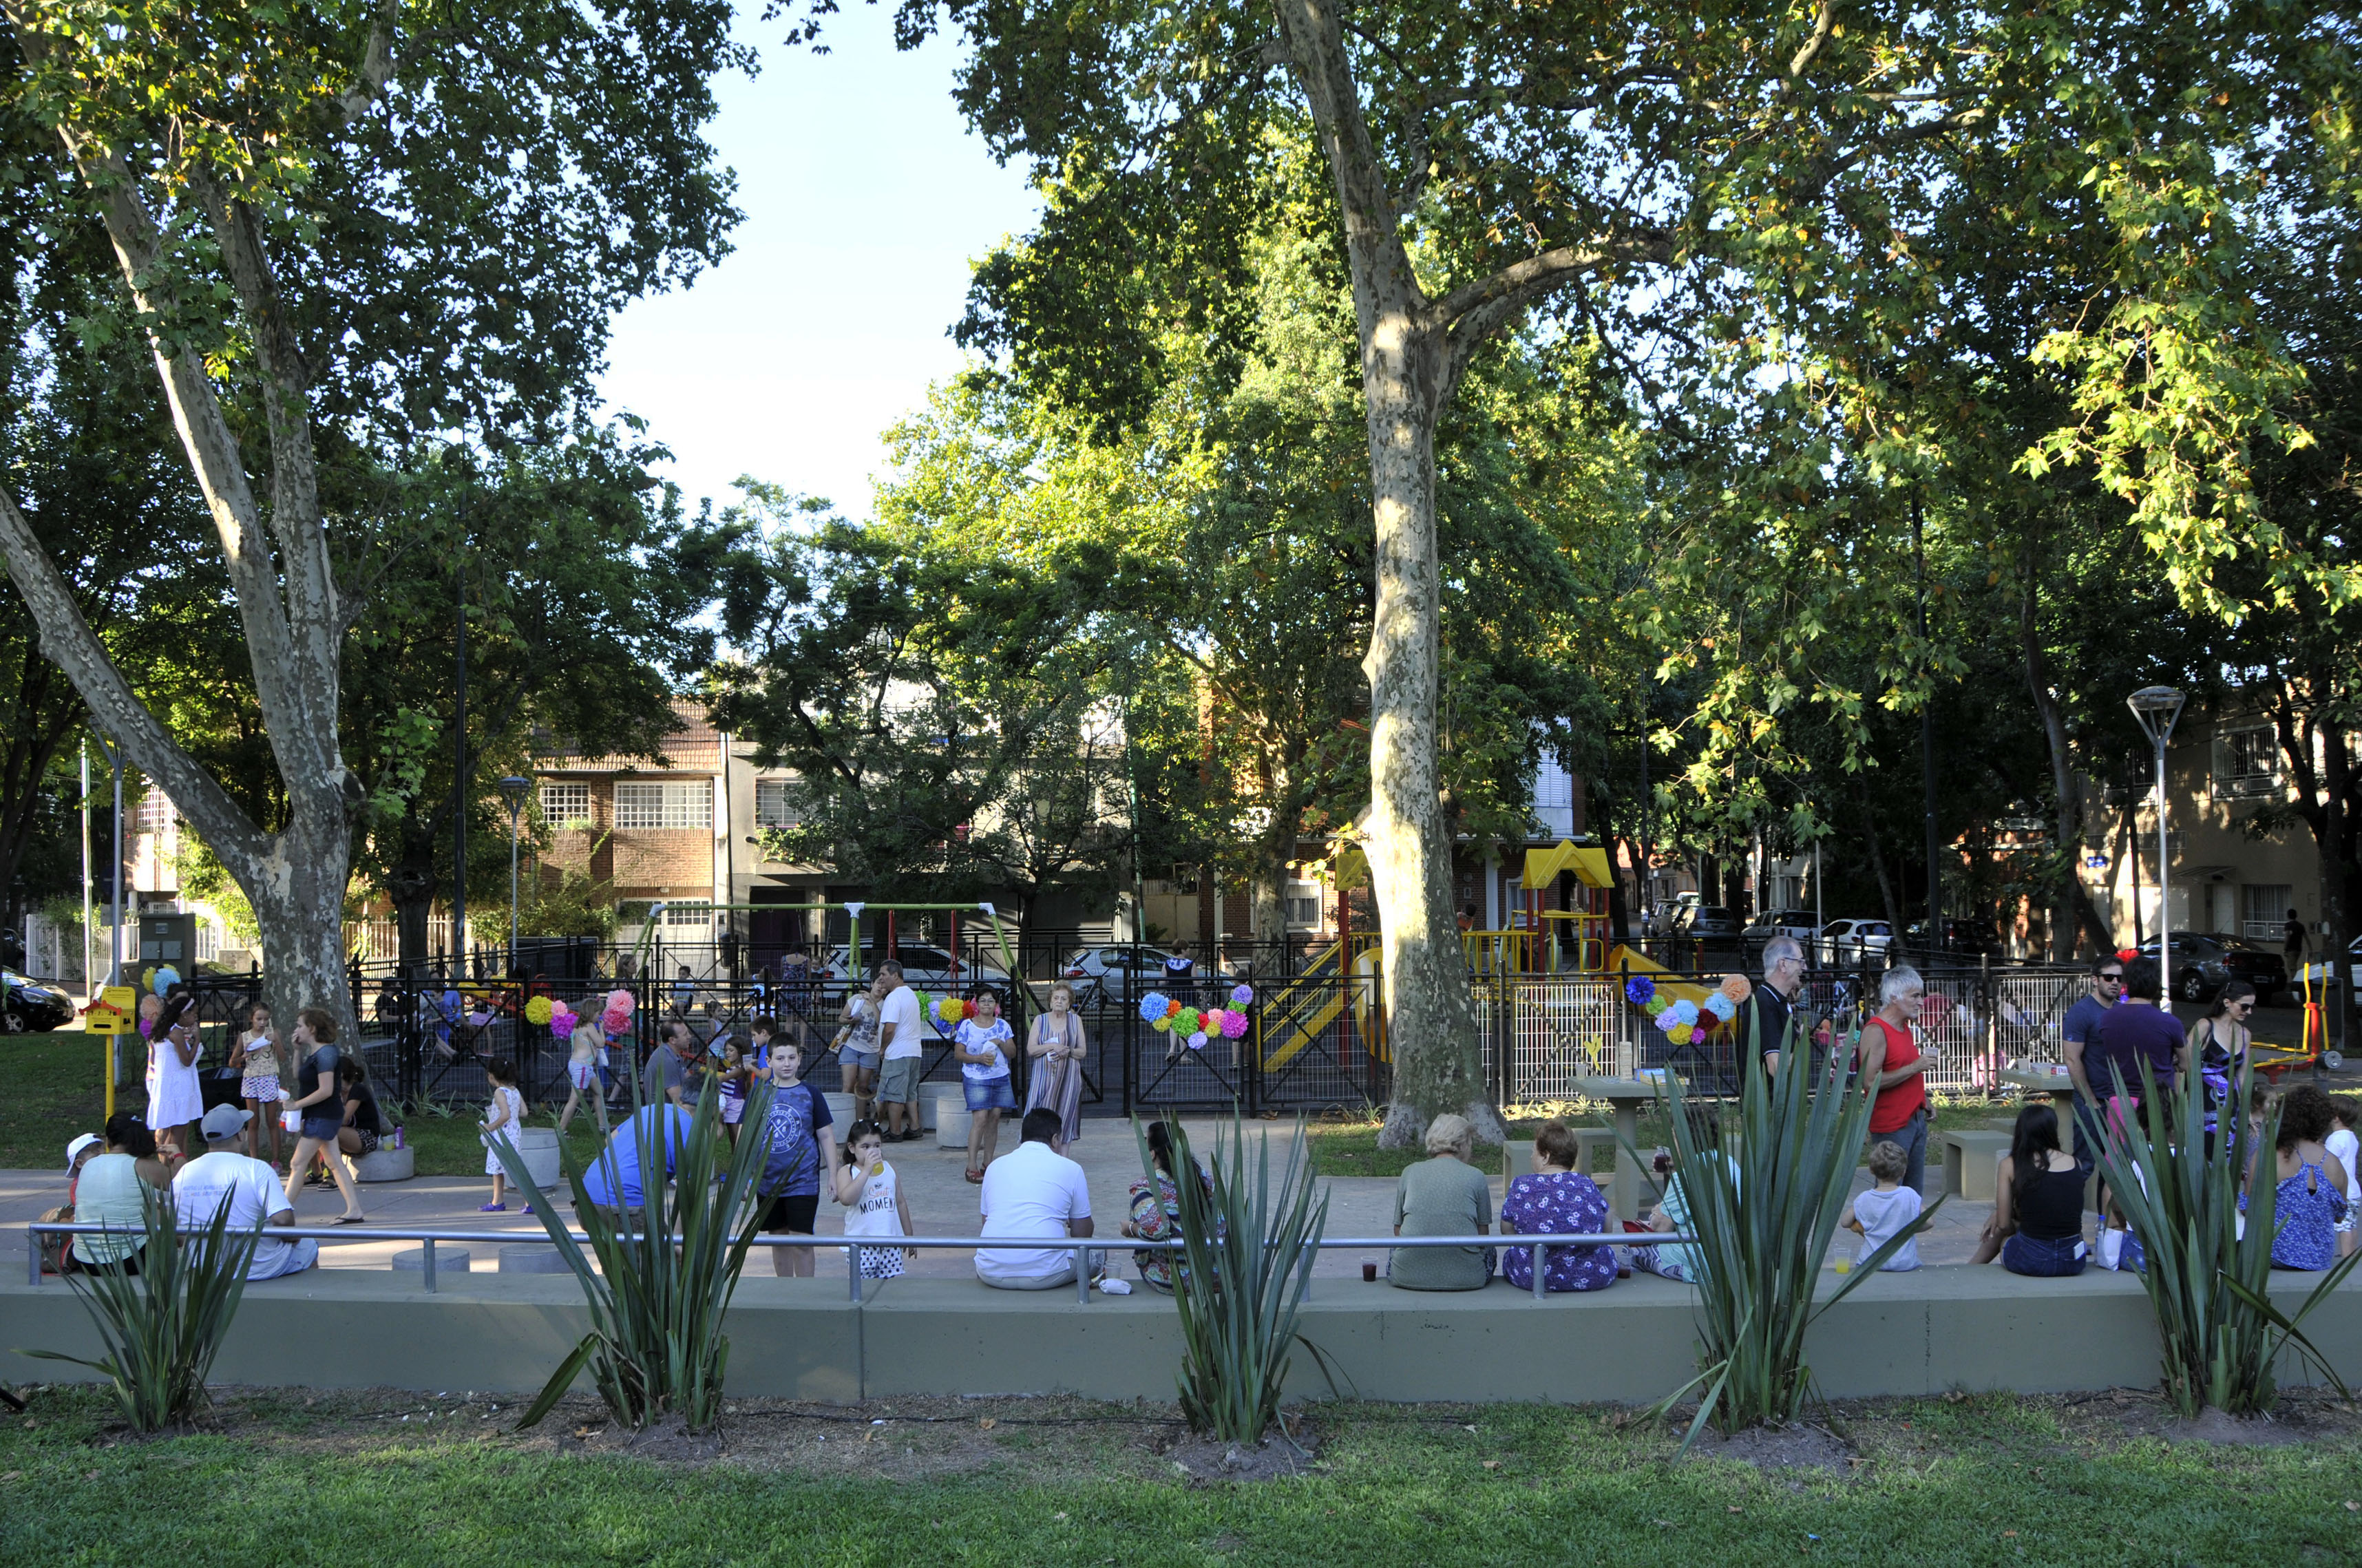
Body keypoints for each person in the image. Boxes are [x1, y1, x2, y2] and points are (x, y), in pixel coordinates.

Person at [175, 1103, 319, 1280]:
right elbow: (282, 1219)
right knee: (309, 1245)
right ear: (240, 1135)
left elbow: (177, 1228)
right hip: (258, 1266)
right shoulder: (257, 1168)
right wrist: (292, 1238)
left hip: (205, 1268)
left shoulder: (185, 1172)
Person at [977, 1107, 1098, 1289]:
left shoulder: (994, 1167)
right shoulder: (1071, 1168)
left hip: (990, 1270)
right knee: (1098, 1251)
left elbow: (987, 1221)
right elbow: (1082, 1234)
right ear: (1055, 1139)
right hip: (1047, 1273)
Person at [1969, 1103, 2089, 1276]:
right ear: (2053, 1130)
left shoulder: (2010, 1164)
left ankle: (1970, 1268)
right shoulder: (2074, 1163)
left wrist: (2004, 1216)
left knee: (2003, 1235)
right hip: (2073, 1261)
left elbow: (2003, 1225)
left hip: (2033, 1261)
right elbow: (2059, 1206)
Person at [1499, 1120, 1616, 1293]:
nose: (1531, 1157)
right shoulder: (1586, 1183)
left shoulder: (1521, 1185)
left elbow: (1506, 1230)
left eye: (1534, 1152)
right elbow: (1607, 1227)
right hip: (1592, 1276)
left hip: (1531, 1277)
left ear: (1545, 1156)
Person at [755, 1037, 839, 1276]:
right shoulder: (759, 1094)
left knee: (802, 1242)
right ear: (769, 1061)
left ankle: (805, 1295)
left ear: (800, 1059)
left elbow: (826, 1136)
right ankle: (785, 1292)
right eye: (780, 1059)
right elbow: (745, 1139)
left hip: (803, 1181)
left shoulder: (811, 1093)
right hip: (768, 1182)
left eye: (792, 1058)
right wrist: (743, 1178)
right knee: (779, 1241)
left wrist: (833, 1174)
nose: (787, 1064)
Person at [1626, 1104, 1735, 1284]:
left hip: (1698, 1263)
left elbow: (1661, 1229)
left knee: (1627, 1253)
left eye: (1674, 1137)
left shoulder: (1688, 1176)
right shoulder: (1729, 1163)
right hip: (1730, 1259)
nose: (1672, 1143)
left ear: (1685, 1140)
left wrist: (1658, 1211)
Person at [1388, 1113, 1494, 1290]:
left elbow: (1397, 1229)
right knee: (1491, 1251)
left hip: (1405, 1275)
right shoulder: (1476, 1176)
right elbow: (1483, 1236)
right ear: (1462, 1144)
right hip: (1469, 1278)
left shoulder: (1410, 1172)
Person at [279, 1007, 365, 1223]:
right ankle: (354, 1210)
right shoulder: (316, 1053)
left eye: (300, 1025)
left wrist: (296, 1105)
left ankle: (281, 1212)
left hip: (324, 1115)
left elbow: (326, 1090)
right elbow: (299, 1075)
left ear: (312, 1028)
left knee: (297, 1163)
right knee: (334, 1162)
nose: (297, 1029)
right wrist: (296, 1051)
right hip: (322, 1114)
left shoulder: (327, 1053)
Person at [2083, 955, 2189, 1130]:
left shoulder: (2107, 1019)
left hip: (2120, 1100)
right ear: (2156, 985)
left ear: (2127, 983)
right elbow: (2187, 1065)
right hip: (2160, 1102)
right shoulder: (2170, 1023)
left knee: (2120, 1154)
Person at [2254, 1084, 2350, 1271]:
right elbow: (2339, 1217)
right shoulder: (2334, 1163)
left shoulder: (2267, 1156)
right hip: (2319, 1259)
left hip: (2272, 1255)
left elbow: (2247, 1207)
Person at [1855, 965, 1932, 1194]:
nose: (1921, 1002)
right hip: (1892, 1127)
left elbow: (1902, 1071)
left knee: (1911, 1195)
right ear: (1894, 998)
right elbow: (1870, 1082)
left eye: (1921, 995)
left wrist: (1923, 1100)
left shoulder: (1903, 1027)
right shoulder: (1876, 1030)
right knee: (1890, 1195)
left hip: (1914, 1120)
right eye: (1915, 996)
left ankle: (1910, 1232)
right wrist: (1916, 1067)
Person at [71, 1114, 170, 1275]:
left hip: (86, 1260)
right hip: (128, 1261)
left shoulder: (89, 1165)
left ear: (109, 1140)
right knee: (160, 1211)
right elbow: (183, 1184)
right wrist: (177, 1156)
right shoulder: (142, 1166)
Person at [578, 1101, 697, 1228]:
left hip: (585, 1200)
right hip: (623, 1206)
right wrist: (678, 1237)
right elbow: (690, 1188)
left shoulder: (653, 1109)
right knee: (663, 1246)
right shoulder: (689, 1127)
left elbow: (610, 1139)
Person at [1124, 1119, 1210, 1291]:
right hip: (1211, 1276)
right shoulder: (1205, 1179)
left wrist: (1132, 1228)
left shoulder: (1145, 1187)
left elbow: (1158, 1230)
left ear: (1152, 1154)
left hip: (1173, 1280)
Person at [831, 1119, 915, 1281]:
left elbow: (900, 1202)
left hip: (889, 1242)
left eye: (877, 1146)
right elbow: (846, 1199)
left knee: (890, 1287)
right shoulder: (848, 1171)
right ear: (852, 1148)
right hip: (861, 1245)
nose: (873, 1151)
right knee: (862, 1287)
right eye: (866, 1147)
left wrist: (909, 1236)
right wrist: (867, 1171)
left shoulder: (889, 1169)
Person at [953, 988, 1017, 1183]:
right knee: (980, 1119)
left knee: (995, 1118)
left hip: (999, 1076)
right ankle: (971, 1165)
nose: (987, 1004)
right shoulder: (967, 1026)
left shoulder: (1003, 1026)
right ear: (976, 1004)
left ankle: (988, 1163)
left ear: (996, 1005)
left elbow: (1012, 1053)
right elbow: (959, 1054)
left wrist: (999, 1042)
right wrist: (978, 1058)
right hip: (975, 1077)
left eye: (991, 1001)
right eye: (983, 1001)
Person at [1839, 1139, 1924, 1272]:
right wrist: (1907, 1228)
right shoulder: (1909, 1195)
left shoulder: (1864, 1198)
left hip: (1870, 1263)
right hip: (1904, 1263)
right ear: (1903, 1172)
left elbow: (1845, 1222)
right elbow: (1929, 1222)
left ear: (1871, 1171)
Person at [1023, 980, 1088, 1152]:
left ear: (1069, 1003)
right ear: (1050, 1001)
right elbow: (1031, 1049)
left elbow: (1082, 1052)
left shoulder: (1076, 1021)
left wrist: (1068, 1052)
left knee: (1065, 1117)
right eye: (1056, 998)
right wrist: (1052, 1047)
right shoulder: (1040, 1020)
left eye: (1064, 999)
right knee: (1038, 1116)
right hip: (1043, 1079)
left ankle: (1063, 1159)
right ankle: (1036, 1155)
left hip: (1068, 1079)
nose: (1059, 1001)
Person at [2187, 979, 2256, 1133]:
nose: (2249, 1011)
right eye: (2244, 1006)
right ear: (2227, 1003)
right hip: (2202, 1102)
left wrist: (2247, 1111)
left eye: (2252, 1007)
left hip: (2231, 1106)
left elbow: (2243, 1077)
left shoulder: (2245, 1034)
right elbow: (2185, 1064)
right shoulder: (2205, 1026)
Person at [145, 992, 204, 1165]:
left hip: (164, 1085)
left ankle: (169, 1167)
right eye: (194, 1014)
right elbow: (186, 1061)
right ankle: (173, 1169)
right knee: (178, 1133)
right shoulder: (176, 1033)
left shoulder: (161, 1031)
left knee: (168, 1131)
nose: (195, 1018)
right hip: (179, 1087)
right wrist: (197, 1039)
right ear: (184, 1014)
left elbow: (155, 1060)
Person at [872, 961, 927, 1143]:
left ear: (895, 976)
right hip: (914, 1051)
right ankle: (915, 1127)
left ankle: (895, 1131)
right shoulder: (910, 994)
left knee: (894, 1094)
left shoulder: (893, 998)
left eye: (883, 975)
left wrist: (882, 1048)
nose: (881, 979)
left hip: (897, 1052)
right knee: (911, 1092)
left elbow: (889, 1029)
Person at [228, 1003, 285, 1171]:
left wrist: (277, 1042)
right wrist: (243, 1057)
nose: (262, 1023)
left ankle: (276, 1160)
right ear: (251, 1019)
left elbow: (282, 1057)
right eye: (259, 1019)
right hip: (251, 1079)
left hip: (268, 1077)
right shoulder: (245, 1037)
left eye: (266, 1019)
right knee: (253, 1122)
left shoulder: (272, 1034)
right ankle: (254, 1160)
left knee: (271, 1120)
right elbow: (232, 1062)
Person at [836, 973, 885, 1128]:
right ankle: (844, 1120)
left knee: (862, 1087)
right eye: (878, 983)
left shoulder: (886, 1004)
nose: (880, 987)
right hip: (851, 1045)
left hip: (871, 1050)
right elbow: (841, 1018)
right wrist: (849, 1020)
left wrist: (872, 1002)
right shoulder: (857, 999)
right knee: (848, 1085)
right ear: (872, 983)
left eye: (884, 986)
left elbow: (881, 1023)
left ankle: (859, 1123)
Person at [478, 1057, 527, 1213]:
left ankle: (530, 1201)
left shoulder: (499, 1093)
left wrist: (489, 1127)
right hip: (515, 1132)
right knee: (498, 1169)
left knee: (511, 1170)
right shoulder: (514, 1090)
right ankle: (497, 1201)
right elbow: (524, 1112)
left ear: (492, 1075)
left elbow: (505, 1115)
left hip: (502, 1135)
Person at [1750, 936, 1806, 1071]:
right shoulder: (1766, 1003)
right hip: (1771, 1092)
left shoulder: (1773, 999)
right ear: (1783, 964)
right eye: (1800, 962)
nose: (1804, 967)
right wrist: (1803, 1043)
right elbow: (1776, 1068)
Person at [556, 1014, 608, 1134]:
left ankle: (602, 1125)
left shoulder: (577, 1026)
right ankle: (561, 1130)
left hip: (581, 1065)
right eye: (598, 1013)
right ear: (592, 1011)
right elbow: (601, 1043)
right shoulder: (590, 1026)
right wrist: (601, 1029)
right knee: (575, 1098)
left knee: (599, 1091)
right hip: (583, 1066)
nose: (598, 1016)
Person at [2325, 1096, 2360, 1260]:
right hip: (2354, 1190)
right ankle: (2351, 1253)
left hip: (2342, 1190)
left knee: (2343, 1226)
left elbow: (2327, 1160)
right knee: (2350, 1224)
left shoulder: (2336, 1139)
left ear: (2336, 1117)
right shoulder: (2350, 1136)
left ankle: (2346, 1258)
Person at [642, 1020, 706, 1109]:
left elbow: (690, 1081)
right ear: (672, 1040)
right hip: (663, 1117)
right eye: (685, 1034)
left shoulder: (674, 1054)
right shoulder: (666, 1060)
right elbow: (679, 1101)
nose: (690, 1036)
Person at [335, 1057, 386, 1163]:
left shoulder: (357, 1090)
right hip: (349, 1134)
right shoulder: (337, 1092)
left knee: (328, 1130)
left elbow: (343, 1120)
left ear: (340, 1074)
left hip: (367, 1137)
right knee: (313, 1130)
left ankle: (334, 1169)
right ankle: (317, 1172)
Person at [716, 1032, 755, 1143]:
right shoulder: (732, 1067)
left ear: (740, 1051)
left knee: (737, 1140)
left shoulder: (739, 1069)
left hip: (735, 1106)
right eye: (726, 1050)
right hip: (728, 1105)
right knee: (732, 1138)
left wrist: (708, 1077)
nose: (727, 1053)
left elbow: (723, 1078)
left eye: (731, 1050)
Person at [2284, 908, 2308, 973]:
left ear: (2288, 916)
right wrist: (2310, 948)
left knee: (2291, 967)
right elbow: (2307, 938)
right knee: (2294, 965)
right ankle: (2295, 980)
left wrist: (2285, 948)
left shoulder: (2288, 925)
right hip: (2298, 949)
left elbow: (2287, 937)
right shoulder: (2300, 926)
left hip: (2291, 949)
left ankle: (2295, 981)